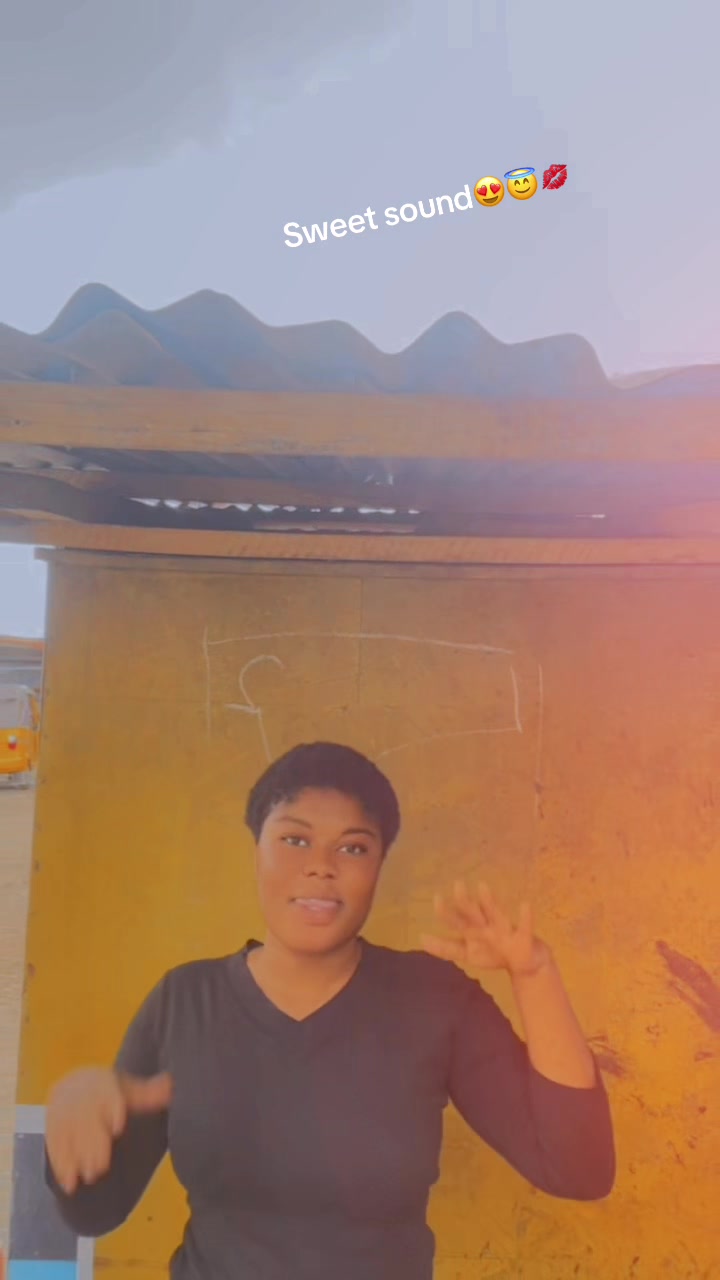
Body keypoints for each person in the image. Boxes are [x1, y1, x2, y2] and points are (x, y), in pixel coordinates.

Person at [45, 741, 615, 1278]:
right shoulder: (185, 1002)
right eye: (294, 840)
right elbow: (94, 1212)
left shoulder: (435, 1000)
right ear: (257, 850)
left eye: (353, 847)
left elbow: (578, 1169)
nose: (321, 865)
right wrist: (72, 1131)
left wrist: (534, 975)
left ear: (379, 865)